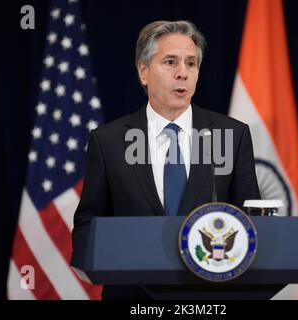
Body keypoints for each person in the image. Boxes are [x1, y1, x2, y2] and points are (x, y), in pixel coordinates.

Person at [72, 20, 261, 299]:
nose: (182, 73)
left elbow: (251, 220)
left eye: (191, 63)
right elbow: (88, 224)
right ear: (143, 71)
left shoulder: (231, 135)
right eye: (170, 62)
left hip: (208, 299)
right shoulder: (108, 141)